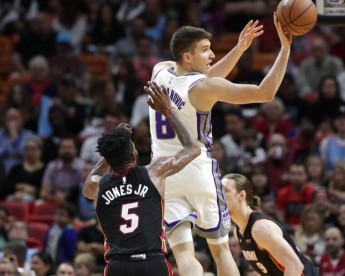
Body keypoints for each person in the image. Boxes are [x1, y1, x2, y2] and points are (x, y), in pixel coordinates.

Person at [149, 14, 292, 276]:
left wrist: (238, 49)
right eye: (205, 50)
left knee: (184, 254)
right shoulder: (203, 88)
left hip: (165, 174)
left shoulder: (160, 69)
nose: (212, 55)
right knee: (220, 249)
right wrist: (285, 49)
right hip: (197, 170)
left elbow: (203, 79)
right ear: (187, 56)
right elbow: (265, 92)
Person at [82, 83, 201, 276]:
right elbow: (193, 148)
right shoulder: (154, 172)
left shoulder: (96, 185)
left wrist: (111, 150)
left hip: (118, 265)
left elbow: (89, 182)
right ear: (133, 157)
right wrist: (168, 111)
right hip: (152, 263)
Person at [222, 173, 317, 276]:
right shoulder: (238, 231)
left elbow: (295, 266)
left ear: (242, 195)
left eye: (225, 191)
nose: (219, 195)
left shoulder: (260, 228)